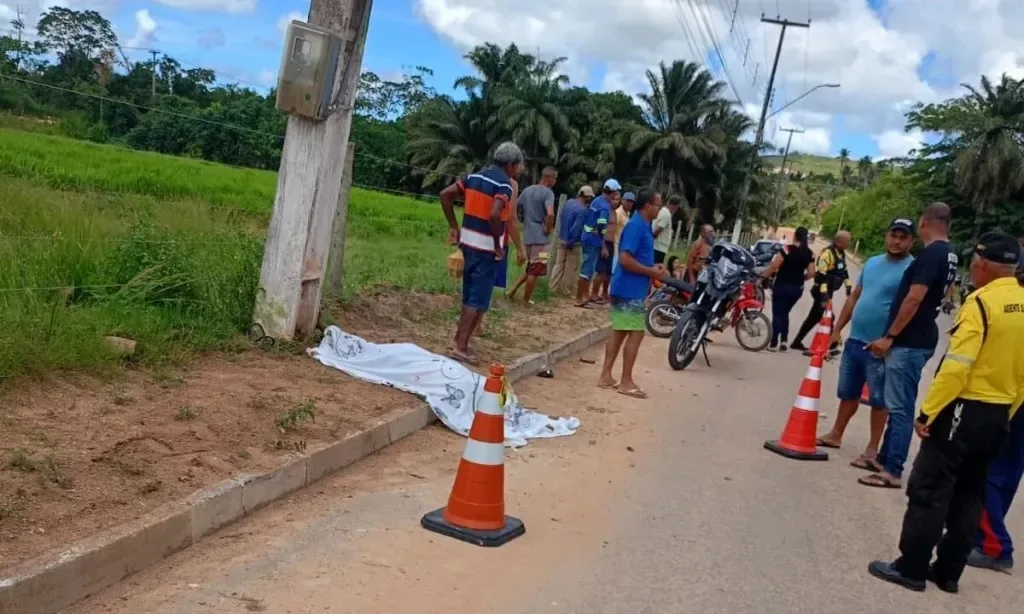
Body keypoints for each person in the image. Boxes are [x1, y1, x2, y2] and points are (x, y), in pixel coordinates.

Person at [868, 230, 1024, 594]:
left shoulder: (981, 304)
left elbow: (956, 367)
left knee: (930, 487)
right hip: (999, 412)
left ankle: (912, 567)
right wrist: (1008, 410)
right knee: (971, 491)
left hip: (963, 409)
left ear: (983, 265)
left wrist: (929, 413)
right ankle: (949, 572)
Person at [858, 203, 958, 490]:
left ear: (924, 222)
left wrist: (889, 336)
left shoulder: (931, 255)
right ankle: (883, 458)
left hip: (909, 341)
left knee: (900, 408)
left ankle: (892, 469)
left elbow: (914, 299)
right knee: (897, 402)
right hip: (921, 338)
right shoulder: (950, 254)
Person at [815, 219, 915, 463]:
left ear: (912, 240)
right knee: (848, 391)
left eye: (903, 237)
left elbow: (911, 306)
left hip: (881, 346)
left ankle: (872, 448)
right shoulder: (871, 263)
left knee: (879, 399)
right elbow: (854, 298)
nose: (897, 241)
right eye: (894, 235)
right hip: (855, 340)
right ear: (887, 235)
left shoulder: (912, 269)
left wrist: (889, 338)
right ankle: (836, 433)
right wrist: (837, 330)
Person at [966, 236, 1024, 574]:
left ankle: (994, 545)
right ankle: (984, 530)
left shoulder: (1005, 302)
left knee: (986, 469)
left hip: (1011, 398)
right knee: (1005, 471)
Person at [439, 142, 525, 364]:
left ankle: (460, 339)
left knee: (469, 295)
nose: (518, 169)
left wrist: (454, 227)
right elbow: (495, 214)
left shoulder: (474, 177)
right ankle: (461, 347)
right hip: (486, 249)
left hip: (467, 245)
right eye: (517, 165)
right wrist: (498, 244)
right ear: (510, 165)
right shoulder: (504, 185)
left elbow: (445, 195)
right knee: (478, 299)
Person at [597, 188, 667, 399]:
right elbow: (626, 259)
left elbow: (635, 257)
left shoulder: (642, 225)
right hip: (629, 289)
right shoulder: (636, 226)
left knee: (620, 331)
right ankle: (626, 381)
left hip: (627, 287)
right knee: (636, 333)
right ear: (647, 206)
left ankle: (606, 376)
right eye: (657, 204)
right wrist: (650, 271)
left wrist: (652, 266)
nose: (659, 209)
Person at [790, 230, 852, 354]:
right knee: (829, 317)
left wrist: (848, 288)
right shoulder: (827, 254)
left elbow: (843, 272)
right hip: (821, 291)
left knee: (813, 318)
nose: (849, 244)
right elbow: (821, 276)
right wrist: (824, 296)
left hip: (829, 290)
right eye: (847, 241)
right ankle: (832, 345)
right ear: (839, 242)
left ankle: (797, 341)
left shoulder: (841, 254)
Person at [506, 167, 557, 305]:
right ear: (548, 178)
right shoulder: (548, 193)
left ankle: (512, 290)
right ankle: (526, 301)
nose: (555, 181)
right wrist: (547, 228)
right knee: (536, 269)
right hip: (542, 240)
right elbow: (550, 214)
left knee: (531, 267)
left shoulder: (528, 190)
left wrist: (517, 219)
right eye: (555, 178)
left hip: (527, 236)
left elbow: (515, 204)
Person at [759, 226, 815, 352]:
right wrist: (802, 278)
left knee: (778, 314)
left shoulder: (787, 249)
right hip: (797, 288)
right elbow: (811, 273)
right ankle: (784, 340)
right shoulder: (810, 253)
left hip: (782, 285)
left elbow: (774, 266)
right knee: (784, 313)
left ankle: (773, 343)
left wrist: (761, 277)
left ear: (795, 235)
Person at [577, 179, 620, 307]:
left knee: (586, 268)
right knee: (587, 270)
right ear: (612, 192)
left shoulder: (597, 201)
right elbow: (601, 225)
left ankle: (581, 296)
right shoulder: (605, 207)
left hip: (586, 237)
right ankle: (581, 297)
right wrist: (603, 246)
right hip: (593, 241)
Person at [550, 185, 592, 295]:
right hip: (573, 242)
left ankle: (552, 288)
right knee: (570, 268)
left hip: (562, 238)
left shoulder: (568, 203)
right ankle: (565, 291)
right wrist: (571, 242)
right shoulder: (582, 209)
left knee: (558, 264)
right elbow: (576, 228)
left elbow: (561, 218)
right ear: (587, 197)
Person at [611, 192, 635, 274]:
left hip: (622, 249)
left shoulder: (627, 214)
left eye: (631, 202)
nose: (629, 203)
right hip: (615, 249)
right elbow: (611, 229)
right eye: (628, 201)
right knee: (613, 273)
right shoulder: (618, 213)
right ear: (622, 201)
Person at [652, 196, 679, 264]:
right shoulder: (667, 215)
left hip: (656, 246)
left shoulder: (662, 210)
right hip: (659, 248)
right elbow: (657, 230)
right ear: (675, 206)